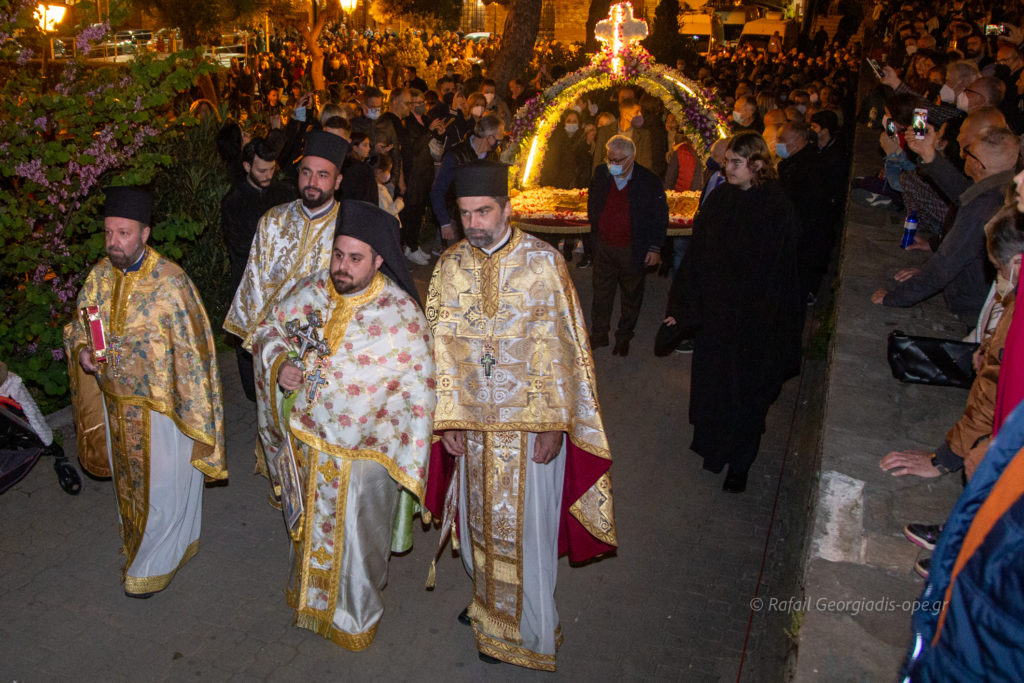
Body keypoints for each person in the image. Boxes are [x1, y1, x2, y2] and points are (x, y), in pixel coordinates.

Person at [424, 162, 617, 671]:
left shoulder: (543, 263)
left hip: (529, 431)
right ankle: (487, 610)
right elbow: (438, 349)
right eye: (465, 214)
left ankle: (530, 634)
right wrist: (447, 421)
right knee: (477, 530)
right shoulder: (450, 266)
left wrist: (555, 422)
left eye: (484, 212)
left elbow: (564, 348)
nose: (474, 224)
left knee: (525, 536)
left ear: (508, 208)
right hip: (473, 431)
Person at [252, 201, 434, 650]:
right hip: (309, 445)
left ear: (378, 260)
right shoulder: (311, 292)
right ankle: (309, 602)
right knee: (308, 523)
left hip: (364, 456)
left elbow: (419, 391)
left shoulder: (402, 316)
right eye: (338, 255)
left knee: (358, 539)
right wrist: (279, 366)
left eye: (355, 259)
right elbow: (268, 331)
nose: (342, 267)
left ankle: (355, 617)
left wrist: (405, 453)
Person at [63, 186, 227, 597]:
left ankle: (154, 564)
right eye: (108, 233)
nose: (114, 242)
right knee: (130, 488)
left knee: (164, 489)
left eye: (124, 233)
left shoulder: (171, 283)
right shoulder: (100, 276)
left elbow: (195, 353)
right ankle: (141, 546)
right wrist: (84, 351)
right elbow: (82, 325)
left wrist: (191, 409)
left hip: (163, 412)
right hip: (116, 406)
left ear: (145, 233)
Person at [662, 132, 804, 493]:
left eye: (735, 162)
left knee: (747, 394)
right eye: (727, 162)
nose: (727, 168)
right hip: (718, 319)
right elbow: (697, 257)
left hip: (755, 323)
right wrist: (681, 308)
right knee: (715, 388)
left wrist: (766, 320)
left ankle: (741, 463)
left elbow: (782, 274)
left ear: (757, 164)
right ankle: (714, 449)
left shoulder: (776, 207)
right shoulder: (722, 198)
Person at [224, 130, 349, 474]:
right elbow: (253, 288)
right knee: (279, 435)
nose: (312, 182)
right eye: (306, 172)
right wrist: (268, 354)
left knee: (321, 449)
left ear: (337, 180)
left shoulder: (349, 230)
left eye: (322, 175)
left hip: (327, 355)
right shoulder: (273, 221)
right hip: (276, 351)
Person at [872, 125, 1019, 324]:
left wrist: (893, 298)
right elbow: (964, 193)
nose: (963, 156)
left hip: (968, 310)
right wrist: (930, 157)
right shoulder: (1005, 186)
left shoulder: (981, 209)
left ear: (978, 164)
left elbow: (944, 265)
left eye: (969, 152)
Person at [221, 137, 298, 402]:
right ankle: (255, 396)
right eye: (261, 170)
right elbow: (242, 247)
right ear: (246, 166)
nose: (268, 176)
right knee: (249, 342)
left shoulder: (286, 194)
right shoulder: (233, 201)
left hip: (285, 285)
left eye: (271, 170)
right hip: (248, 283)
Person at [587, 135, 667, 357]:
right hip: (604, 245)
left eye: (618, 160)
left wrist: (654, 248)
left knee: (631, 294)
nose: (612, 164)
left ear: (632, 158)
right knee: (601, 292)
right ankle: (599, 333)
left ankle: (624, 337)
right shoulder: (601, 173)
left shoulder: (649, 181)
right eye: (609, 158)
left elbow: (660, 216)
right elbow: (593, 202)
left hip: (632, 248)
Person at [429, 114, 504, 247]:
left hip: (483, 220)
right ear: (489, 138)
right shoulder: (456, 155)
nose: (501, 141)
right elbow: (438, 190)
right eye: (499, 137)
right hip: (457, 219)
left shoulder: (493, 156)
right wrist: (445, 222)